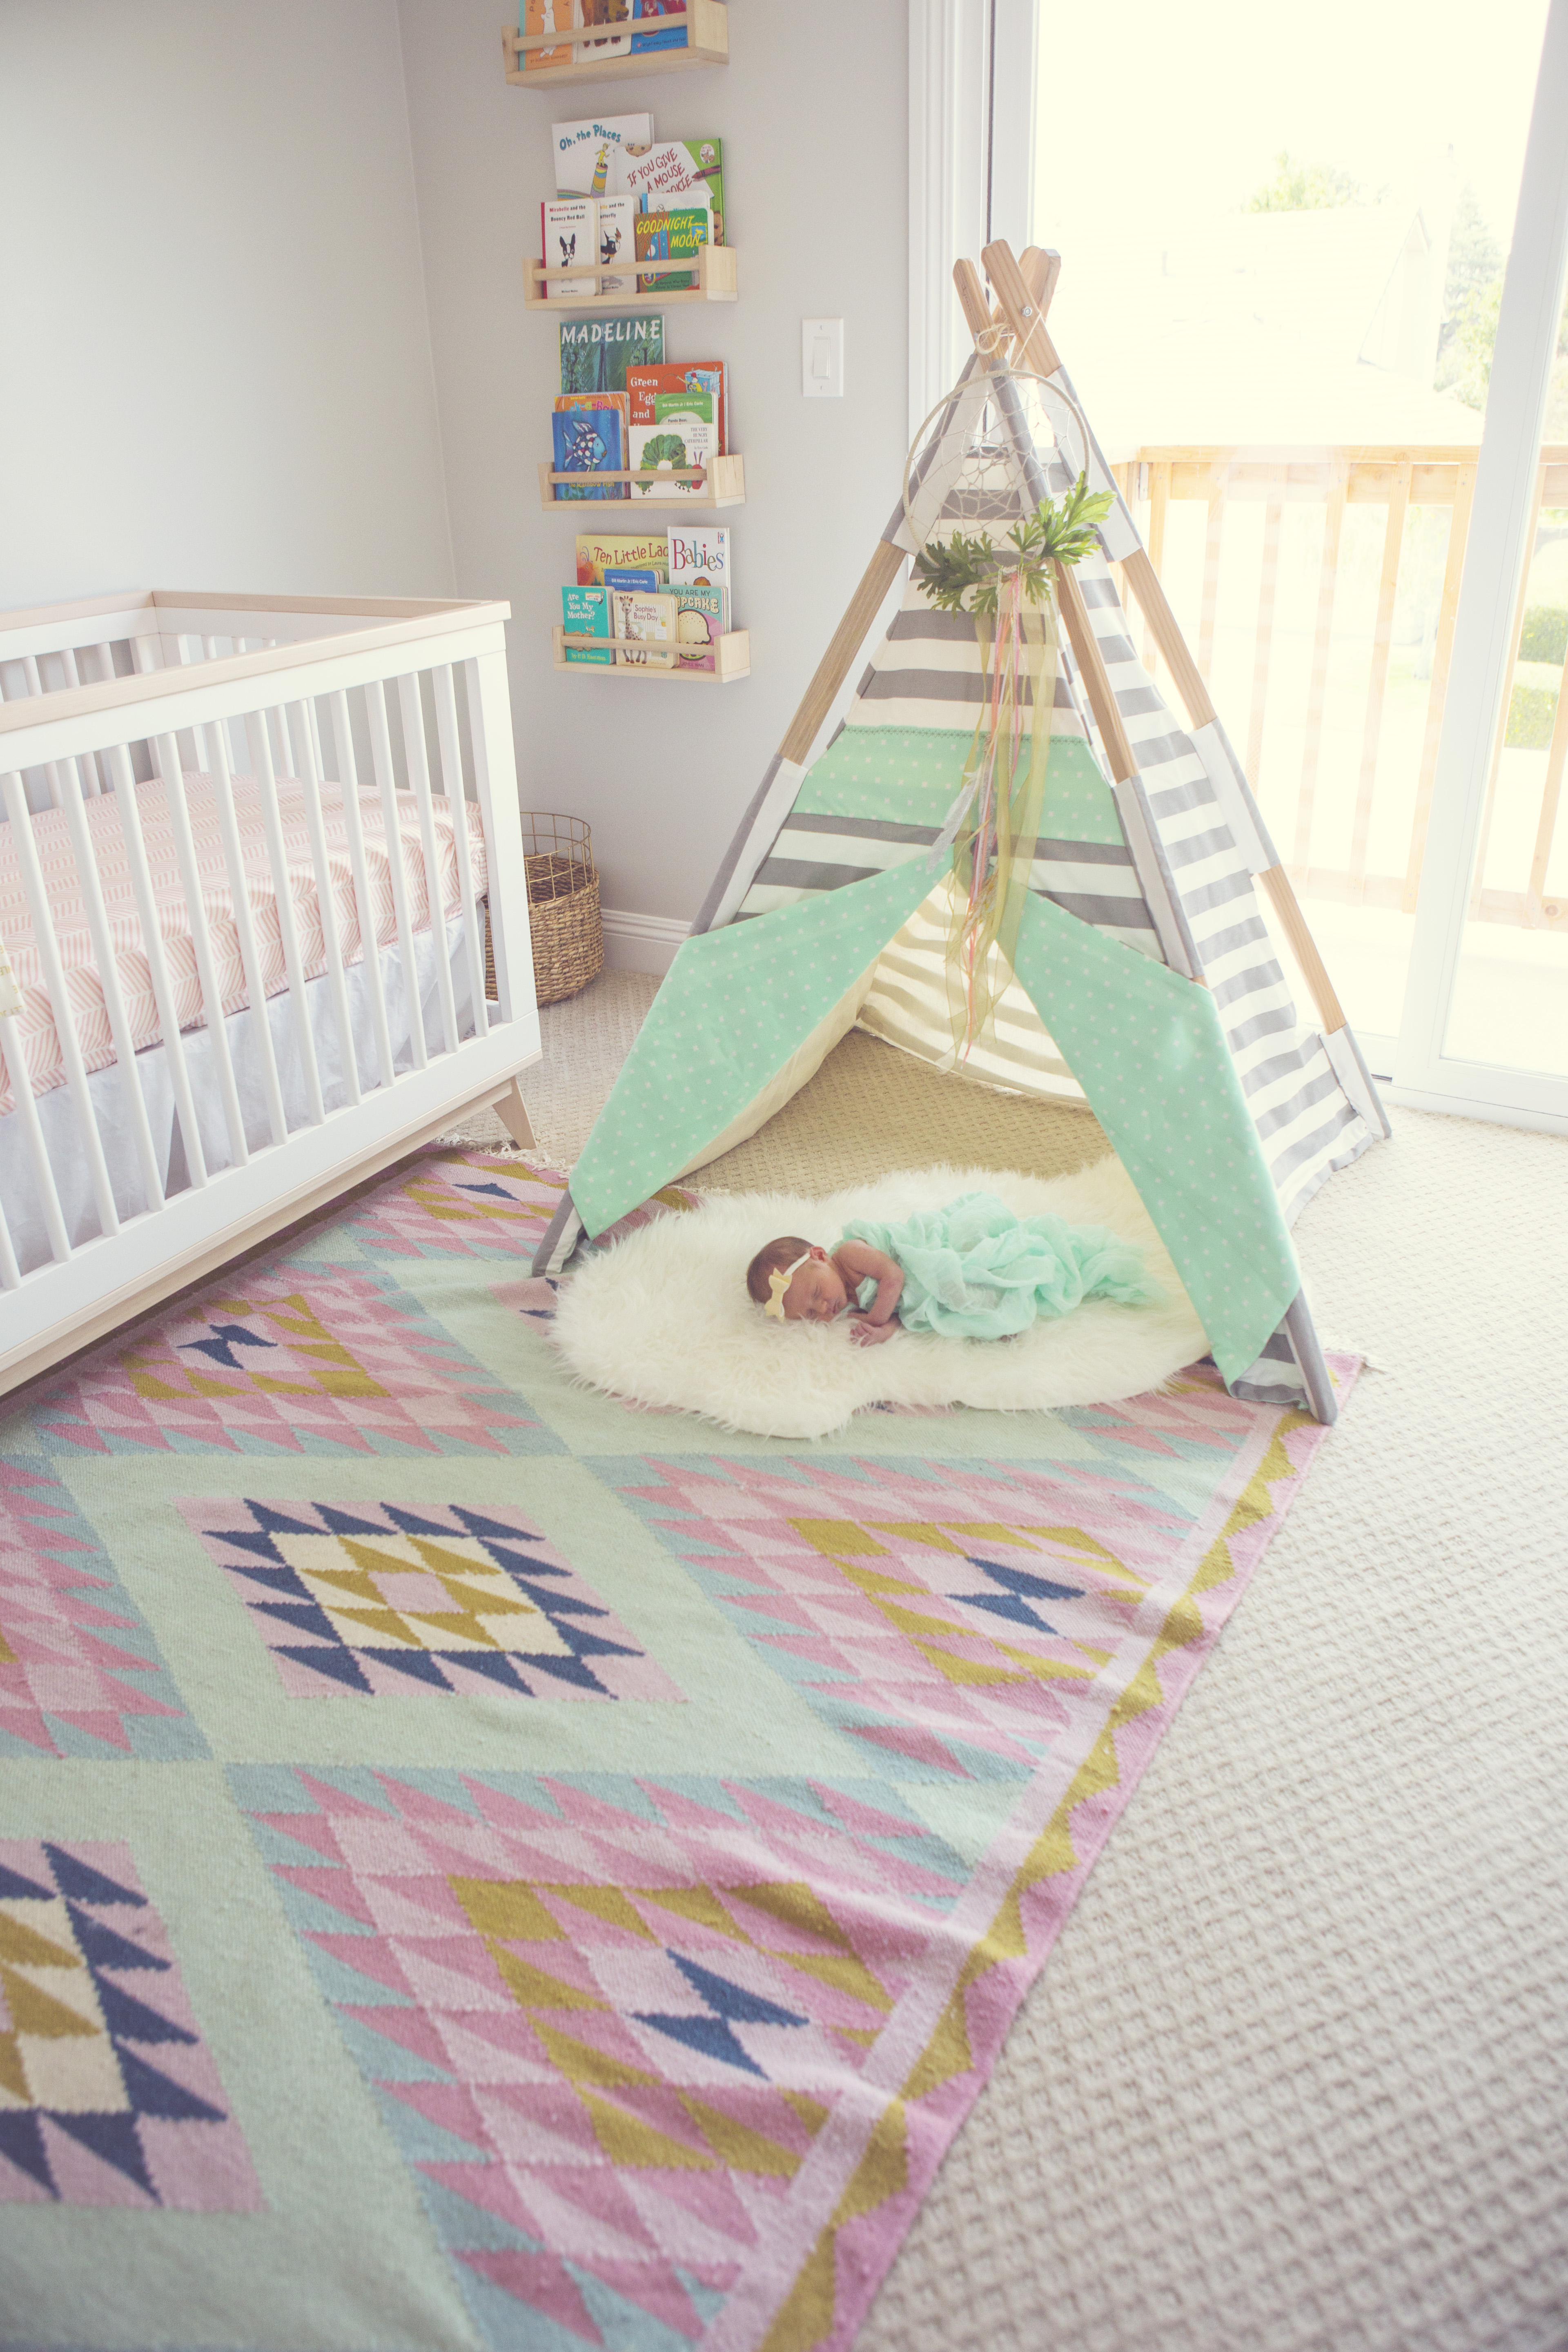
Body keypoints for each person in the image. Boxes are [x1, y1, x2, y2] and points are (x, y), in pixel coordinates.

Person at [745, 1192, 1161, 1348]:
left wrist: (876, 1317)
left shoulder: (851, 1253)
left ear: (820, 1256)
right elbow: (906, 1315)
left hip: (927, 1252)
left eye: (817, 1293)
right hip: (919, 1288)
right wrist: (886, 1329)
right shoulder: (845, 1299)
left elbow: (894, 1278)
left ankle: (1012, 1273)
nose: (825, 1307)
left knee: (961, 1273)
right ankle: (1005, 1305)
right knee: (953, 1310)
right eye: (812, 1314)